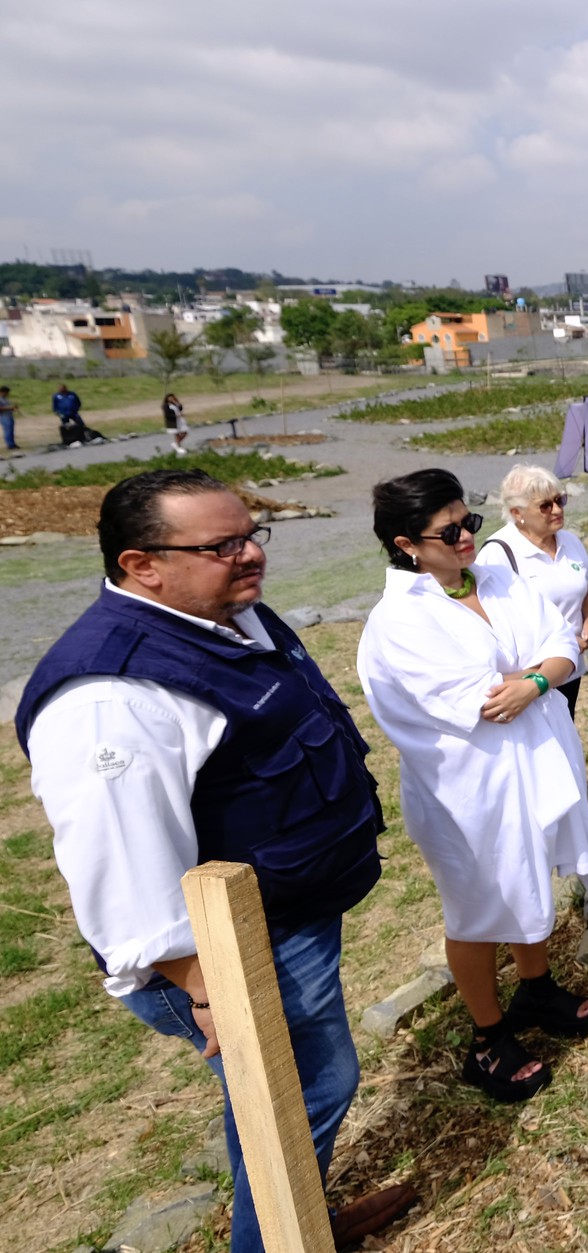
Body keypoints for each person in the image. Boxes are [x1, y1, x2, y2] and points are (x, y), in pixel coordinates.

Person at [16, 469, 414, 1252]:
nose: (250, 554)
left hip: (284, 917)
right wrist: (206, 986)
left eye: (251, 533)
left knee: (283, 1101)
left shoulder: (221, 614)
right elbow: (121, 869)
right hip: (227, 955)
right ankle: (279, 1235)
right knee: (302, 1093)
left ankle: (296, 1219)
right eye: (221, 544)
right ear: (142, 565)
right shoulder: (112, 694)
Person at [357, 469, 588, 1104]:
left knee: (529, 875)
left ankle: (535, 984)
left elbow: (560, 646)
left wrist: (535, 681)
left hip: (533, 760)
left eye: (469, 521)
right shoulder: (399, 621)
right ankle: (487, 1034)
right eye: (449, 531)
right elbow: (476, 699)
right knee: (475, 906)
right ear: (405, 543)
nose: (468, 537)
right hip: (466, 788)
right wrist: (529, 679)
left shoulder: (496, 578)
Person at [476, 465, 588, 715]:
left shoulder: (570, 541)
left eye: (560, 500)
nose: (557, 510)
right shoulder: (497, 554)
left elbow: (586, 591)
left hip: (570, 668)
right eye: (545, 505)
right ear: (516, 512)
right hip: (530, 673)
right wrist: (564, 642)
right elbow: (491, 622)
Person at [0, 384, 18, 449]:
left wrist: (12, 408)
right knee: (7, 431)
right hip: (4, 417)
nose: (7, 394)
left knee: (11, 430)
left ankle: (13, 443)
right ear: (2, 392)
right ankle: (9, 445)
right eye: (6, 393)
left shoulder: (5, 399)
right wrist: (9, 408)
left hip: (9, 416)